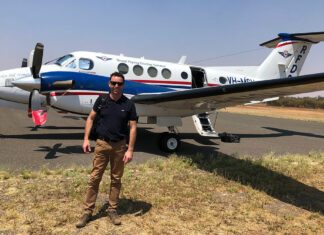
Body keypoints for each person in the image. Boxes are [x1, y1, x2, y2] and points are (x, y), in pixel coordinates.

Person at [76, 72, 137, 228]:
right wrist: (85, 139)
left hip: (119, 146)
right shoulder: (102, 100)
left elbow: (132, 127)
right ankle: (87, 212)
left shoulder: (129, 104)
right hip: (102, 145)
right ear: (109, 84)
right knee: (95, 178)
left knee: (116, 179)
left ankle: (112, 209)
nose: (116, 86)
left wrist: (130, 150)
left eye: (119, 84)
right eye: (113, 83)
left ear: (123, 85)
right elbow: (90, 118)